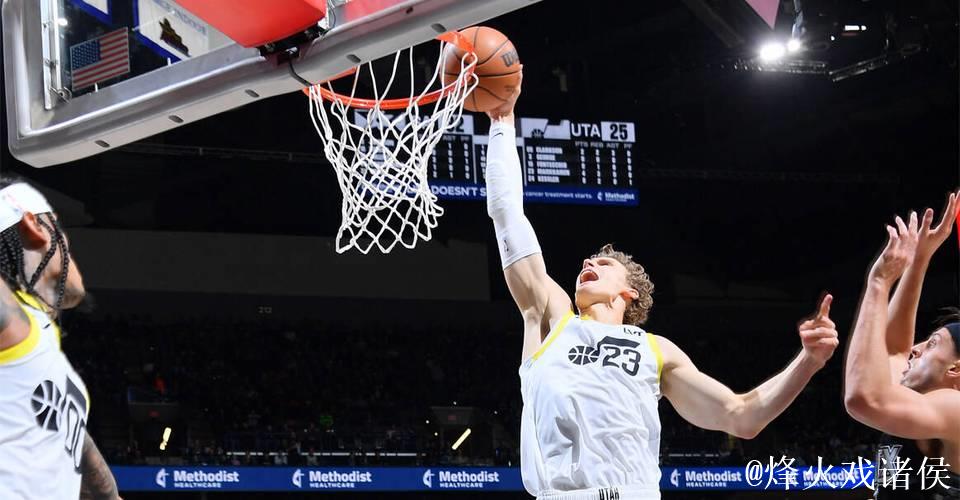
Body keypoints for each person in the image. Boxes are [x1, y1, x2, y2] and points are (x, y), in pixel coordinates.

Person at [483, 74, 839, 499]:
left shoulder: (656, 350)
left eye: (603, 263)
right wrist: (502, 123)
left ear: (629, 292)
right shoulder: (551, 318)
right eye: (586, 262)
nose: (587, 264)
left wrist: (808, 362)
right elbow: (507, 215)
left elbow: (741, 415)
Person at [0, 179, 121, 499]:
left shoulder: (39, 340)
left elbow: (76, 442)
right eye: (61, 233)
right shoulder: (13, 323)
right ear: (33, 226)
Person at [843, 191, 960, 499]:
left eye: (932, 343)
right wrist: (919, 259)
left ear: (955, 369)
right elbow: (892, 349)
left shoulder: (956, 409)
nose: (915, 349)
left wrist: (880, 283)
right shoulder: (919, 399)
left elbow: (863, 398)